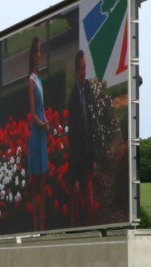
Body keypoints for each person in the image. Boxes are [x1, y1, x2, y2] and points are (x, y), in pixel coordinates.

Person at [66, 49, 98, 226]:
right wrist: (74, 175)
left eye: (86, 67)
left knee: (91, 203)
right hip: (77, 160)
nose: (85, 71)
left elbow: (90, 125)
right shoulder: (72, 97)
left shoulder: (87, 88)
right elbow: (72, 137)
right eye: (82, 68)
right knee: (76, 206)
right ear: (77, 70)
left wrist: (93, 157)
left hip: (87, 155)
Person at [26, 37, 49, 231]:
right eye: (38, 52)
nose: (40, 55)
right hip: (37, 133)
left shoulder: (39, 79)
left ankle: (42, 224)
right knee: (36, 187)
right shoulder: (32, 81)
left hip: (43, 133)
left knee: (43, 184)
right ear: (33, 56)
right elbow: (33, 113)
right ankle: (35, 225)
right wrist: (42, 124)